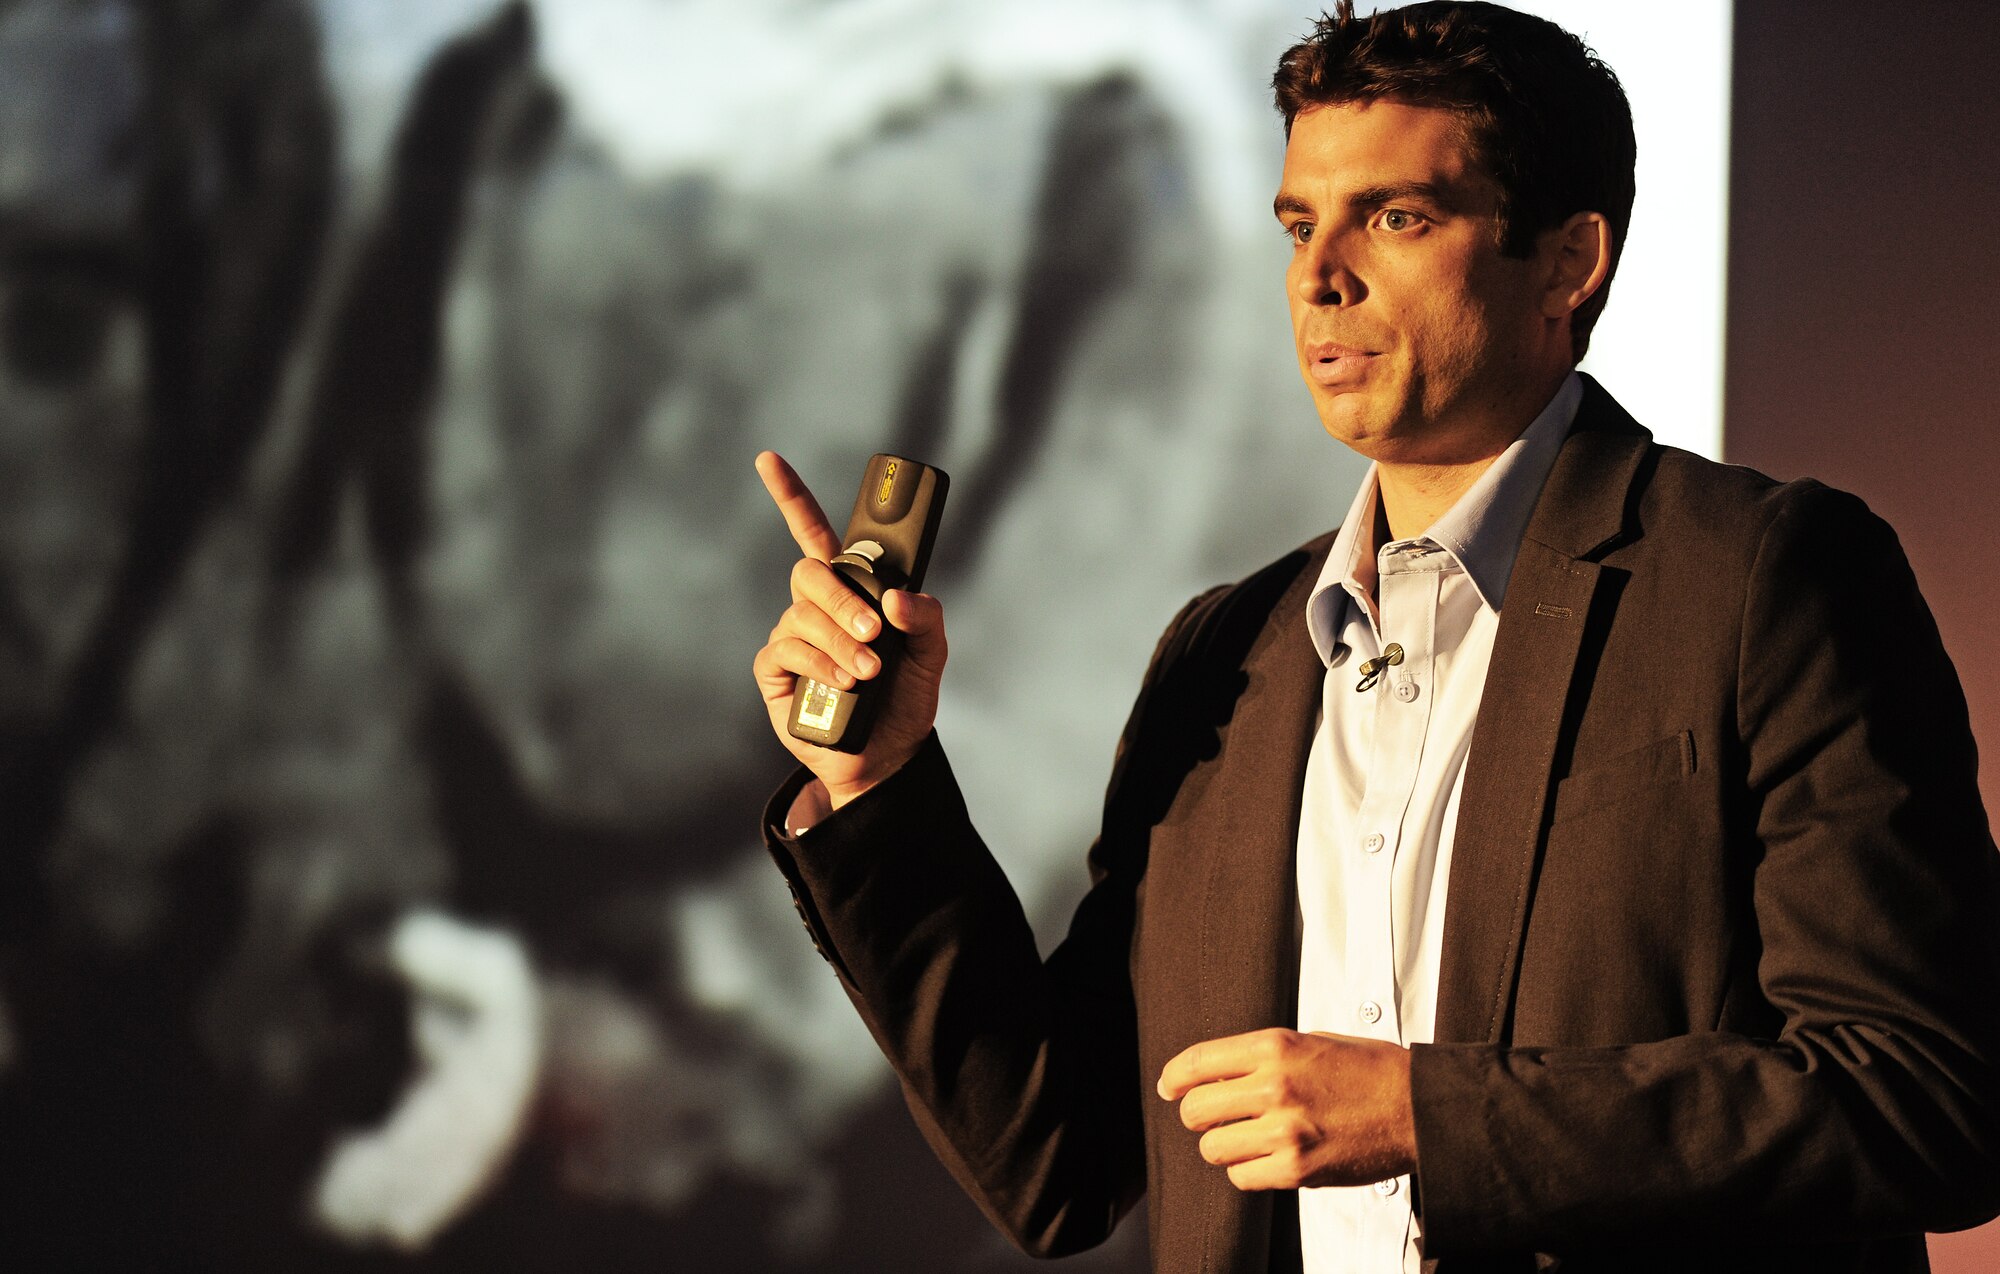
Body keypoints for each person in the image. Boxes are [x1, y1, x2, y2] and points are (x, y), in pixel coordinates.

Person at [749, 3, 2000, 1270]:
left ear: (1566, 262)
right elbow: (1055, 1157)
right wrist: (876, 781)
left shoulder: (1759, 577)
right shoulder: (1223, 650)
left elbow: (1921, 1095)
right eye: (1299, 223)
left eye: (1393, 217)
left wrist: (1424, 1113)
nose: (1316, 273)